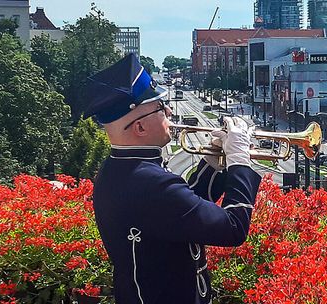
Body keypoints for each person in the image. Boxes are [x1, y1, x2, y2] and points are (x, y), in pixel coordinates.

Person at [83, 54, 261, 304]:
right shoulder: (151, 184)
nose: (168, 110)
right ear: (140, 128)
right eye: (159, 107)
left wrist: (211, 163)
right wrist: (240, 160)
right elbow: (233, 229)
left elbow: (181, 213)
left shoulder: (122, 170)